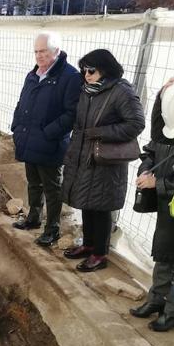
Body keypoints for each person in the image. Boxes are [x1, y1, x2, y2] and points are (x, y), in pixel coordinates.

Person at [62, 49, 145, 272]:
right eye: (84, 70)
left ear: (105, 69)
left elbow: (136, 123)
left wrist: (101, 132)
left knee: (101, 208)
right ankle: (89, 245)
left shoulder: (121, 91)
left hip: (106, 160)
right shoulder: (88, 90)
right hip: (85, 156)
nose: (86, 74)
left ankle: (100, 254)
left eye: (91, 70)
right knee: (87, 204)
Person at [11, 32, 82, 247]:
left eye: (43, 51)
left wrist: (49, 133)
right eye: (36, 51)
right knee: (33, 183)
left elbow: (72, 113)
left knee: (52, 188)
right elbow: (22, 103)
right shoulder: (33, 75)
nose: (39, 56)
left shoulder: (70, 77)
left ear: (56, 52)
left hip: (50, 144)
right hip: (29, 139)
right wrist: (16, 127)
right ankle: (33, 217)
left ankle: (52, 229)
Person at [130, 76, 174, 332]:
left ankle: (171, 312)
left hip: (168, 198)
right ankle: (156, 300)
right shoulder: (166, 133)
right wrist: (146, 171)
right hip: (168, 207)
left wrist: (156, 184)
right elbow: (151, 150)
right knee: (164, 253)